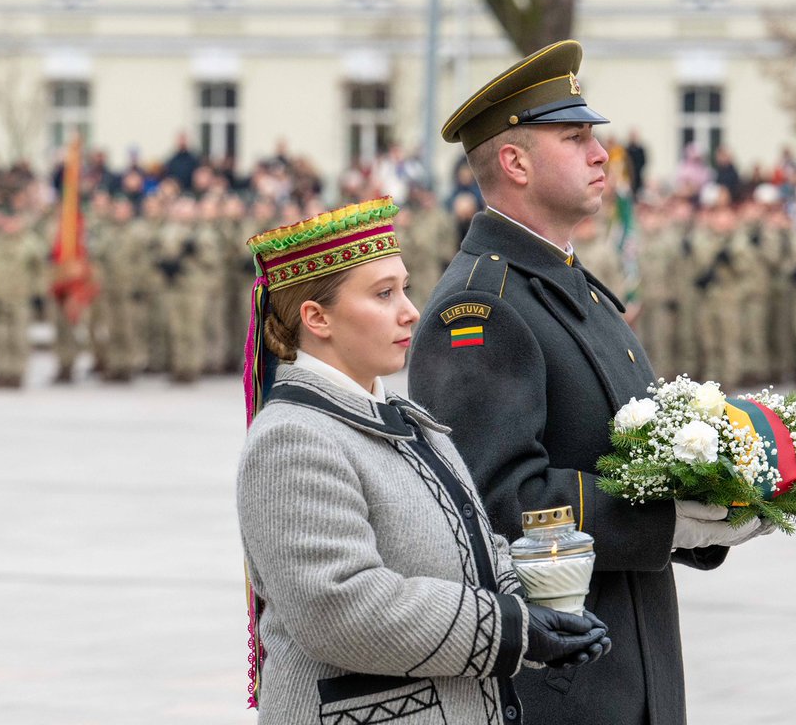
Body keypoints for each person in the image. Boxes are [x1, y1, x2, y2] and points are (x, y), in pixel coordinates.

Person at [408, 40, 770, 725]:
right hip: (561, 685)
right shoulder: (483, 308)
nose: (601, 154)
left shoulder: (575, 288)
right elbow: (496, 501)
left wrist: (712, 488)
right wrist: (664, 523)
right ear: (513, 161)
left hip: (630, 660)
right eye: (575, 138)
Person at [236, 196, 611, 724]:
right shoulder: (294, 440)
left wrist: (540, 596)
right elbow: (340, 608)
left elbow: (471, 545)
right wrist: (509, 627)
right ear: (317, 317)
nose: (410, 310)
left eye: (404, 288)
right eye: (384, 294)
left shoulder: (403, 418)